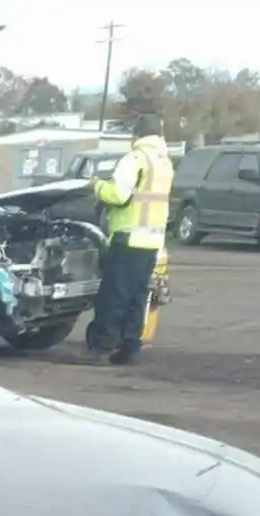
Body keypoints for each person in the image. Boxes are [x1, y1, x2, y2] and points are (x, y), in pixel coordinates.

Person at [82, 114, 174, 365]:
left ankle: (102, 347)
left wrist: (96, 186)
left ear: (137, 135)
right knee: (137, 295)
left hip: (129, 237)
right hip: (152, 240)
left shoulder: (135, 159)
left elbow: (118, 194)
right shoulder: (164, 162)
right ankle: (130, 345)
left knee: (114, 295)